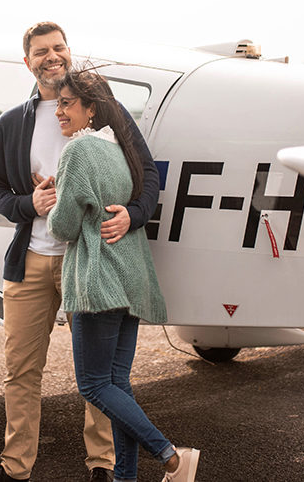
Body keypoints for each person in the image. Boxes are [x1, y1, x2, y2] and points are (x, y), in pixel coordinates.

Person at [0, 22, 160, 482]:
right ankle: (15, 467)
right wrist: (29, 204)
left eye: (59, 47)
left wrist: (133, 215)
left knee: (96, 377)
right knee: (21, 370)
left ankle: (102, 465)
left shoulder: (107, 113)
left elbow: (148, 174)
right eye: (41, 51)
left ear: (68, 52)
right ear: (28, 61)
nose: (52, 56)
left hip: (90, 260)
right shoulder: (10, 123)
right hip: (32, 261)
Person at [47, 68, 200, 482]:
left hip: (99, 283)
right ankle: (125, 478)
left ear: (90, 109)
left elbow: (62, 227)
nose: (58, 111)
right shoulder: (120, 151)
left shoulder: (78, 153)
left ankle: (170, 456)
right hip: (129, 279)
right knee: (117, 384)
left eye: (65, 104)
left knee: (93, 385)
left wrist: (51, 205)